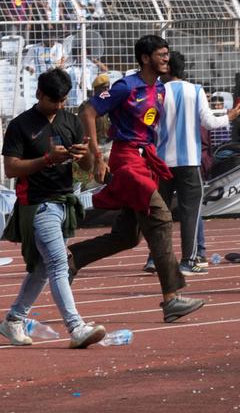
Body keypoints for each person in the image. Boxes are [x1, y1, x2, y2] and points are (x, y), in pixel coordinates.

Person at [69, 35, 205, 324]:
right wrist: (97, 155)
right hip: (127, 160)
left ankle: (72, 259)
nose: (167, 58)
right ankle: (172, 298)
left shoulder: (160, 89)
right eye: (161, 54)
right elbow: (88, 111)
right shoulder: (125, 86)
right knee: (161, 217)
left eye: (167, 54)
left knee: (128, 236)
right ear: (145, 58)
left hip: (146, 160)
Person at [0, 69, 107, 349]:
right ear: (39, 94)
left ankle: (13, 319)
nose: (58, 106)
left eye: (63, 100)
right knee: (58, 263)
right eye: (53, 100)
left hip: (64, 202)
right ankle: (76, 327)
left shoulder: (71, 121)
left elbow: (86, 168)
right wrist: (46, 160)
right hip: (37, 204)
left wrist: (84, 156)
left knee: (43, 269)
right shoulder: (20, 125)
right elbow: (11, 168)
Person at [155, 51, 240, 274]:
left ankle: (155, 259)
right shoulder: (195, 90)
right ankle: (189, 260)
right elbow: (209, 122)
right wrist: (229, 117)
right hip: (189, 161)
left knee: (159, 212)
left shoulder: (158, 91)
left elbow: (150, 125)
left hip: (162, 161)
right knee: (190, 212)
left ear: (167, 68)